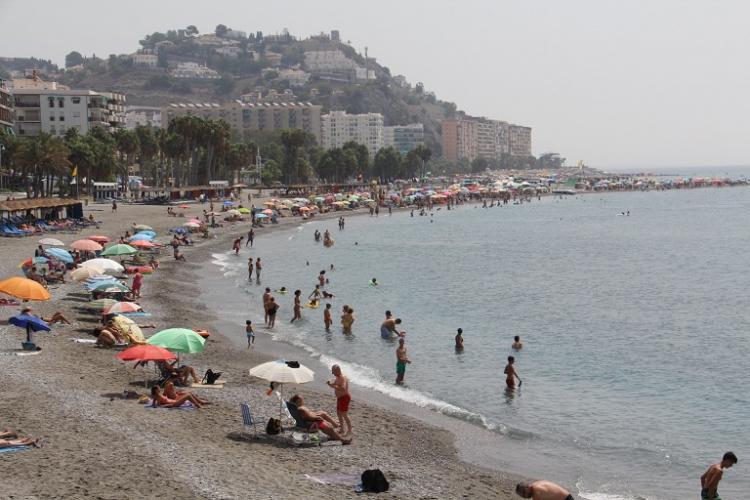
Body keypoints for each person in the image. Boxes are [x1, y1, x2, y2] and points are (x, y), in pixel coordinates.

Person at [326, 364, 352, 436]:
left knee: (344, 414)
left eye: (333, 371)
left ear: (337, 371)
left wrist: (334, 386)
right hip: (339, 398)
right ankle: (342, 429)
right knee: (338, 413)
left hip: (345, 397)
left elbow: (343, 388)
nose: (332, 373)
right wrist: (329, 384)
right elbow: (334, 385)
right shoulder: (337, 378)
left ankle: (349, 431)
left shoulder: (343, 378)